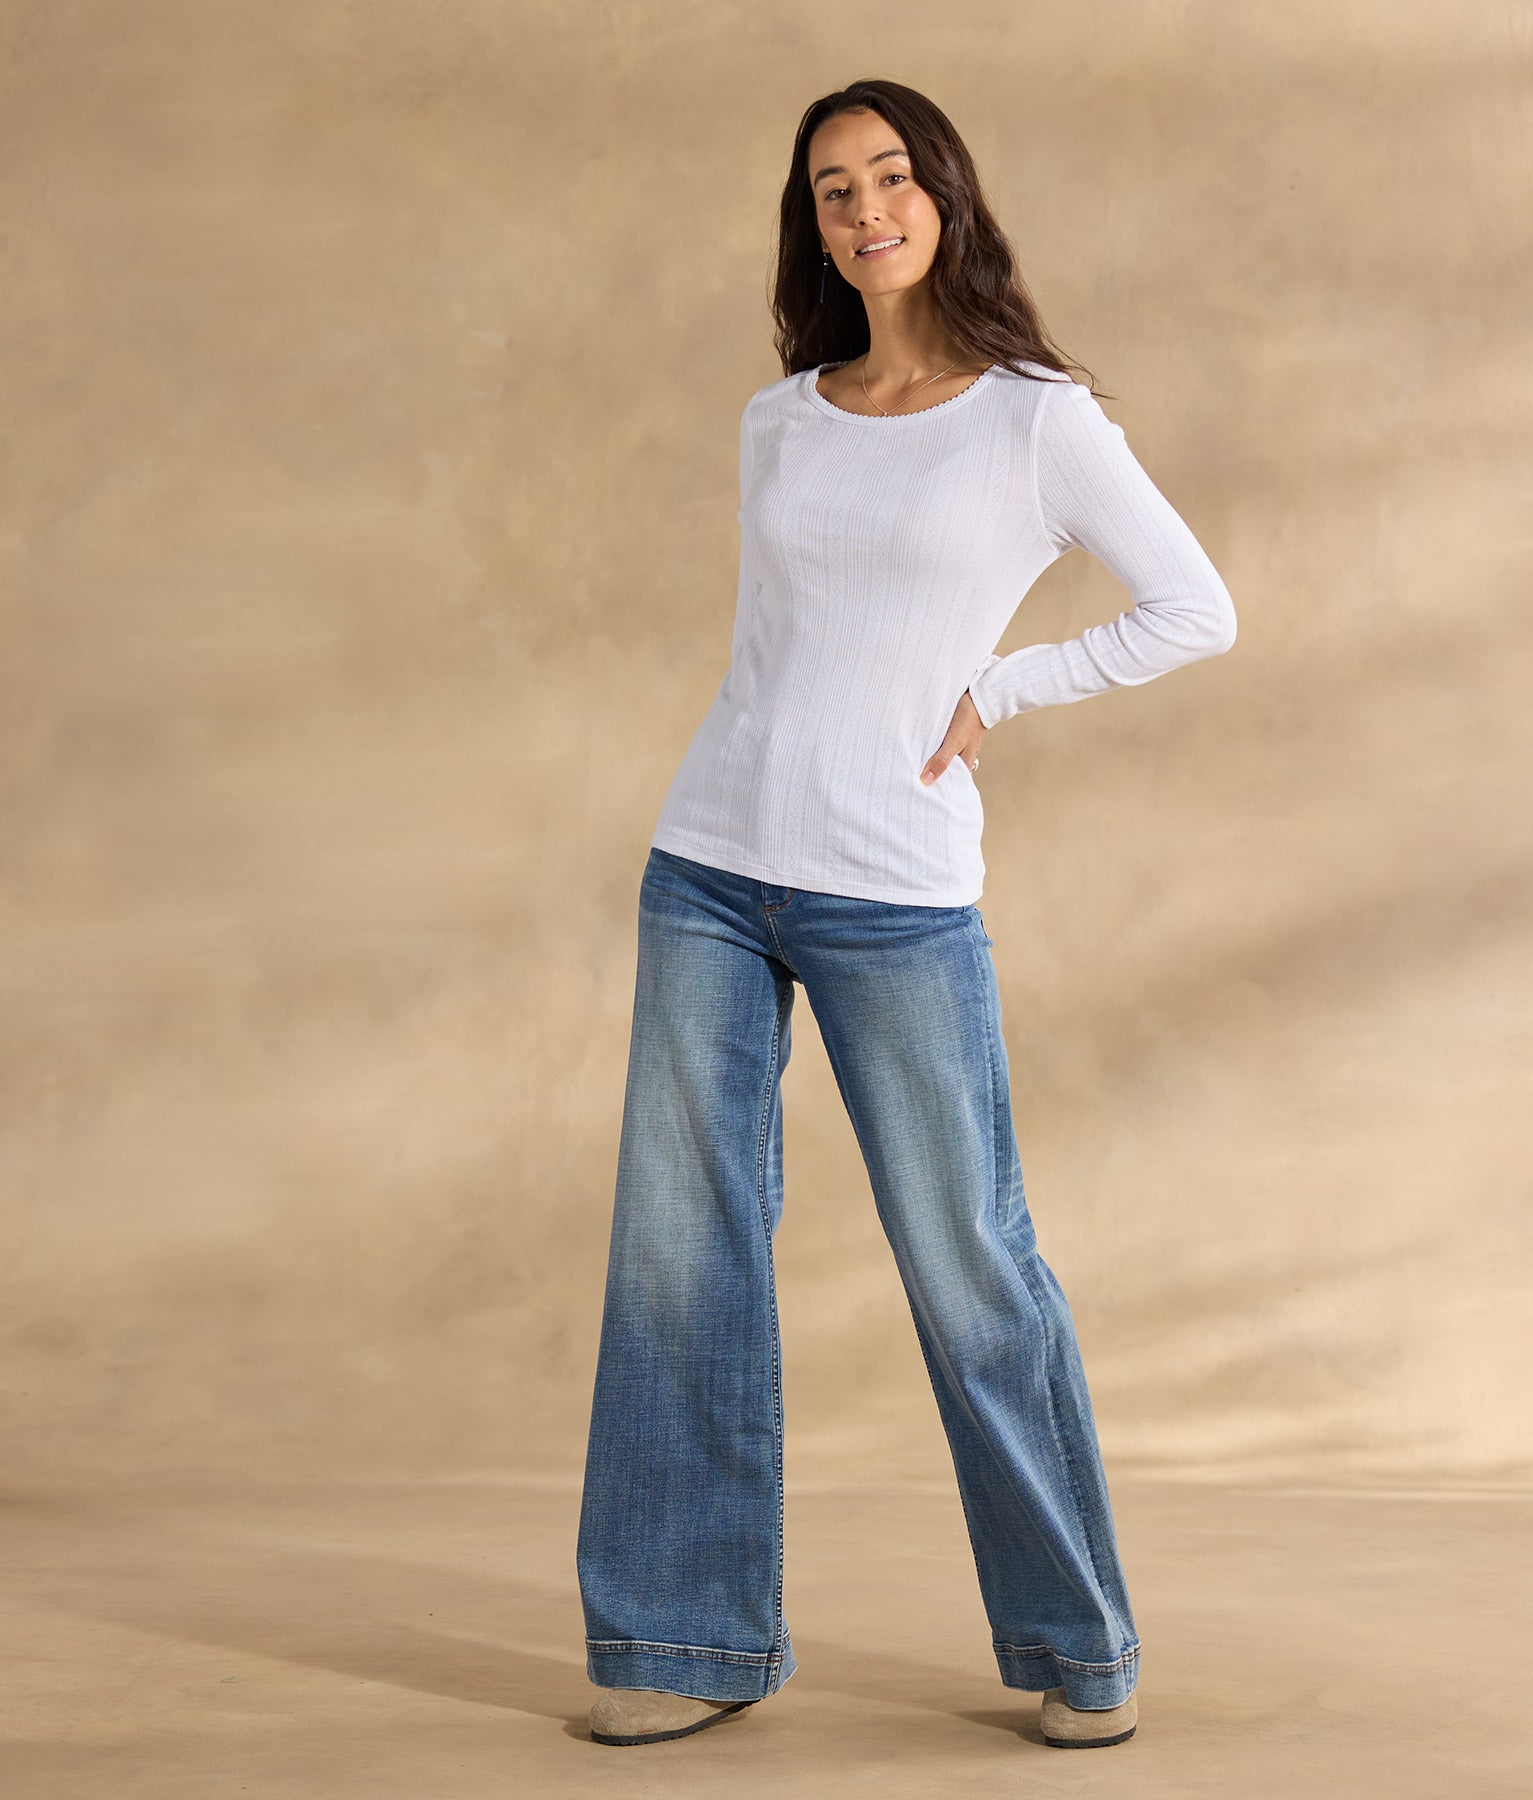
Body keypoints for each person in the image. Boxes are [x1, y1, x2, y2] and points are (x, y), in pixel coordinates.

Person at [576, 77, 1236, 1752]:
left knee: (968, 1262)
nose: (865, 210)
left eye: (890, 178)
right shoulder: (781, 417)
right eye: (832, 191)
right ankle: (687, 1641)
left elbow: (1194, 608)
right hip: (709, 864)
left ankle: (1079, 1645)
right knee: (679, 1253)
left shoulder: (1036, 419)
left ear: (944, 193)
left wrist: (1003, 689)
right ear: (812, 228)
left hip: (894, 890)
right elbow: (779, 650)